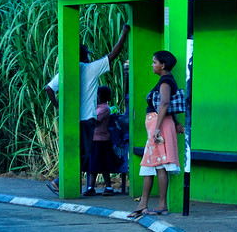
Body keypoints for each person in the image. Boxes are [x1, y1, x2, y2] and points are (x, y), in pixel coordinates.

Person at [45, 24, 131, 195]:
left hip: (70, 119)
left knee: (75, 151)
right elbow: (113, 54)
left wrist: (58, 107)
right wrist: (124, 33)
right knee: (85, 154)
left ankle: (66, 183)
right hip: (86, 120)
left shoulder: (66, 71)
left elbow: (48, 89)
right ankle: (60, 181)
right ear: (85, 56)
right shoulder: (89, 69)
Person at [127, 50, 184, 217]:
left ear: (163, 65)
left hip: (159, 126)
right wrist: (175, 122)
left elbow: (165, 103)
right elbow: (166, 105)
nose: (152, 65)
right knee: (150, 164)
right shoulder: (164, 80)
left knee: (159, 165)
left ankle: (161, 205)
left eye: (154, 62)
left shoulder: (165, 81)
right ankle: (143, 204)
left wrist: (157, 128)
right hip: (158, 124)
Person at [84, 86, 118, 196]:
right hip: (95, 139)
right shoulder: (99, 107)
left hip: (101, 140)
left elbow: (94, 120)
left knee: (102, 164)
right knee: (94, 164)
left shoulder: (104, 109)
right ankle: (91, 187)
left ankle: (108, 187)